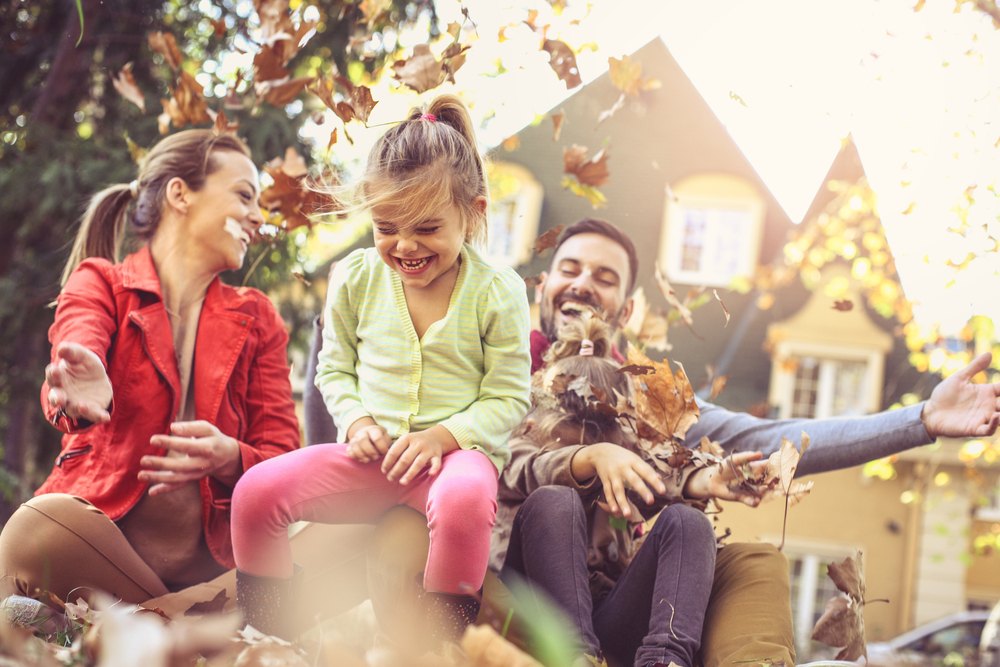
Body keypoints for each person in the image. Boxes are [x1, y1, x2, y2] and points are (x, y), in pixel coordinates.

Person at [500, 216, 1000, 667]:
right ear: (543, 285)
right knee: (554, 503)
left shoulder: (648, 397)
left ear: (627, 309)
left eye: (604, 278)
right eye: (571, 269)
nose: (584, 284)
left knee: (751, 559)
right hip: (511, 585)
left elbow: (769, 440)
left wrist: (922, 419)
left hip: (610, 600)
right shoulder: (492, 374)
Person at [229, 95, 532, 643]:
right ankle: (270, 637)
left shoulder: (497, 291)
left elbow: (509, 398)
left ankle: (442, 644)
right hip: (370, 463)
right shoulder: (354, 277)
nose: (406, 245)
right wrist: (357, 424)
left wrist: (443, 437)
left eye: (427, 228)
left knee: (464, 502)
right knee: (255, 492)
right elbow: (334, 370)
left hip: (453, 467)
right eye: (386, 227)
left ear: (474, 212)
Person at [0, 130, 308, 619]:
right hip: (104, 562)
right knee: (32, 528)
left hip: (221, 572)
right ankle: (190, 633)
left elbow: (285, 463)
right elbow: (77, 341)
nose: (257, 216)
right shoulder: (101, 281)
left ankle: (127, 631)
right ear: (180, 194)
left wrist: (230, 458)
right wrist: (82, 379)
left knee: (358, 526)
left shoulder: (259, 318)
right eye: (244, 196)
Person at [502, 311, 769, 667]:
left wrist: (699, 480)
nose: (601, 461)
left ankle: (665, 660)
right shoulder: (519, 447)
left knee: (688, 522)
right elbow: (528, 470)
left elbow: (655, 482)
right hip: (533, 616)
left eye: (609, 448)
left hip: (608, 627)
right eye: (572, 443)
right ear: (532, 425)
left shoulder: (624, 464)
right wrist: (589, 456)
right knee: (555, 499)